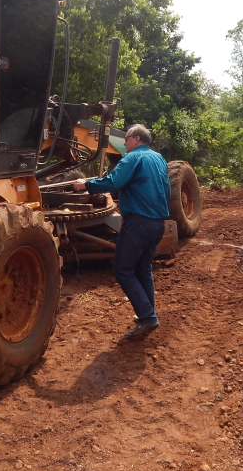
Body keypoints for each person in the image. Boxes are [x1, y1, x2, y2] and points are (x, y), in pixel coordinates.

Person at [73, 124, 170, 338]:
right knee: (143, 269)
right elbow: (166, 189)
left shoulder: (133, 158)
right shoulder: (159, 159)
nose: (124, 144)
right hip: (157, 223)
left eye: (126, 139)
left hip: (138, 223)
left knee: (123, 270)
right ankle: (148, 312)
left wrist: (86, 184)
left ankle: (148, 317)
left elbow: (115, 182)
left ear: (136, 139)